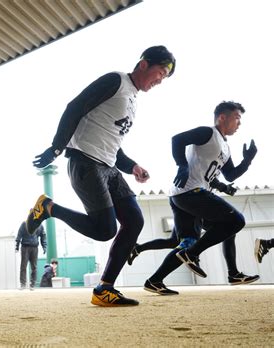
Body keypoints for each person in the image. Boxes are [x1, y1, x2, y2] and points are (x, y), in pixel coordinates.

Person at [26, 46, 176, 306]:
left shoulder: (133, 99)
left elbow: (112, 142)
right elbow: (75, 107)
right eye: (160, 72)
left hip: (109, 167)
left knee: (134, 221)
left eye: (165, 77)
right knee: (106, 229)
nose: (160, 80)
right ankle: (49, 208)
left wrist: (133, 167)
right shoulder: (116, 80)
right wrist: (57, 146)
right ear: (144, 64)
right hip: (85, 161)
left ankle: (105, 288)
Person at [144, 101, 258, 295]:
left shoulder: (225, 147)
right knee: (236, 221)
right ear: (222, 117)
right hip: (190, 193)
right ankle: (193, 255)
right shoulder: (208, 133)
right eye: (237, 118)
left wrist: (247, 160)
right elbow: (177, 139)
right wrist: (182, 165)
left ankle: (154, 280)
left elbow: (230, 174)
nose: (239, 123)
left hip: (182, 196)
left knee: (203, 236)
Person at [129, 178, 258, 286]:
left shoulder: (213, 160)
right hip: (191, 198)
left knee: (174, 241)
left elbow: (211, 177)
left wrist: (223, 187)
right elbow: (204, 173)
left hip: (187, 198)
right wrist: (223, 186)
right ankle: (155, 280)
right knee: (189, 241)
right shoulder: (205, 152)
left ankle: (138, 249)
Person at [16, 221, 47, 290]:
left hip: (34, 248)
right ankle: (23, 284)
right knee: (23, 266)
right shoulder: (24, 224)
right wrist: (17, 246)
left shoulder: (40, 225)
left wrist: (44, 246)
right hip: (25, 247)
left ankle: (32, 285)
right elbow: (19, 234)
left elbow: (43, 236)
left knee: (34, 267)